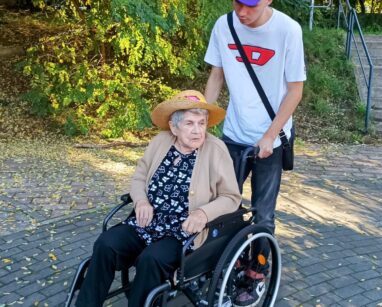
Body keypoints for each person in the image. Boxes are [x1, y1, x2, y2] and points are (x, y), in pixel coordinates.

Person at [75, 90, 241, 307]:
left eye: (202, 123)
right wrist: (141, 201)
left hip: (183, 232)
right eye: (190, 123)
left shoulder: (215, 150)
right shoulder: (160, 141)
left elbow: (231, 197)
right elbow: (139, 178)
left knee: (151, 260)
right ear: (174, 126)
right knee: (106, 244)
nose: (197, 130)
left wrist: (203, 213)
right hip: (146, 223)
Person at [204, 0, 306, 305]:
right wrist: (204, 125)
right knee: (224, 206)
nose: (242, 12)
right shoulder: (225, 25)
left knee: (262, 213)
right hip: (233, 134)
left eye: (250, 5)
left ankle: (257, 273)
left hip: (271, 140)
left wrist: (270, 135)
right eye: (237, 3)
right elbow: (216, 76)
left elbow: (295, 90)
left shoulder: (288, 30)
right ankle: (228, 262)